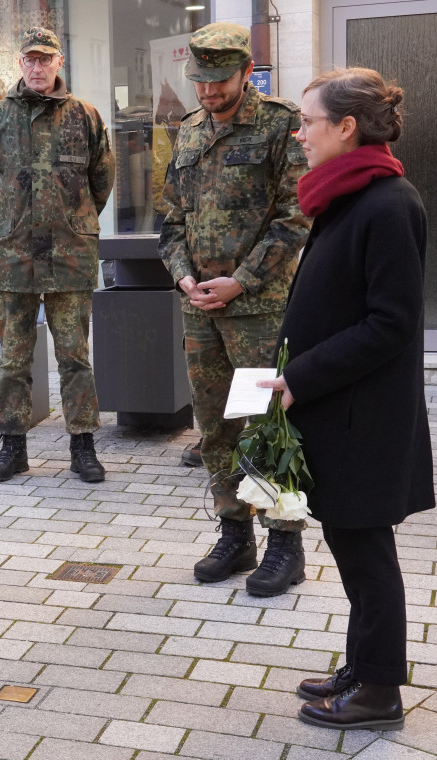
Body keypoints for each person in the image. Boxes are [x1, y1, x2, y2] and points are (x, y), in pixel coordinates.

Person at [257, 67, 432, 731]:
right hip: (343, 414)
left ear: (347, 127)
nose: (299, 135)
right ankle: (363, 666)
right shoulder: (350, 197)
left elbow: (392, 323)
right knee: (352, 547)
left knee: (367, 555)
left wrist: (301, 376)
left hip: (366, 421)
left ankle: (380, 694)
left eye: (309, 122)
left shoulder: (390, 204)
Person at [158, 22, 311, 596]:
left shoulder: (278, 124)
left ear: (248, 72)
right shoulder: (190, 129)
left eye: (219, 80)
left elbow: (297, 217)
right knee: (215, 425)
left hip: (258, 309)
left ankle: (284, 542)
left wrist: (240, 282)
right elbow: (171, 219)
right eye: (199, 80)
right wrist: (183, 277)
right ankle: (234, 532)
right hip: (200, 310)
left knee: (267, 426)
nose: (207, 92)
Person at [0, 27, 115, 484]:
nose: (37, 68)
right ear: (19, 64)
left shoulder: (85, 116)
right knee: (14, 358)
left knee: (75, 357)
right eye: (29, 60)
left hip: (69, 257)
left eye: (44, 60)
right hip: (12, 258)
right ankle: (13, 446)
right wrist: (9, 224)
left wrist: (72, 222)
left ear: (58, 63)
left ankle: (83, 445)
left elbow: (101, 181)